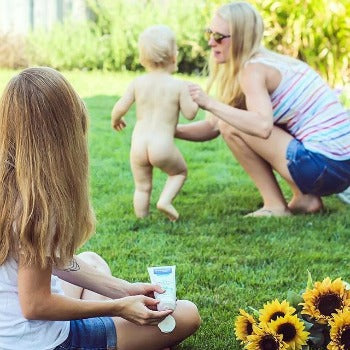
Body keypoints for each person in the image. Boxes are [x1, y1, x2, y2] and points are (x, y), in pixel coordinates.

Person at [0, 67, 201, 350]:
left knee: (93, 261)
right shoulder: (37, 204)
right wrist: (119, 307)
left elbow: (52, 260)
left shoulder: (12, 184)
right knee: (187, 314)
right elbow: (35, 304)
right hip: (41, 342)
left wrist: (125, 289)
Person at [175, 1, 350, 217]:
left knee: (234, 123)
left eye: (219, 36)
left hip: (324, 165)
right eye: (209, 33)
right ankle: (306, 199)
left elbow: (261, 126)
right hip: (340, 166)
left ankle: (275, 206)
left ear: (240, 39)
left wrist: (209, 102)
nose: (211, 42)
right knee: (232, 121)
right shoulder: (268, 63)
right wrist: (171, 129)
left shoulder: (253, 70)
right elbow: (212, 127)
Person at [111, 25, 198, 221]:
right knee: (179, 172)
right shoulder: (178, 85)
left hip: (139, 145)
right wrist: (197, 99)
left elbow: (120, 107)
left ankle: (141, 218)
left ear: (142, 58)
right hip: (162, 145)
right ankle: (165, 201)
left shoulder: (137, 83)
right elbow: (190, 113)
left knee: (142, 187)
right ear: (174, 56)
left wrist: (115, 120)